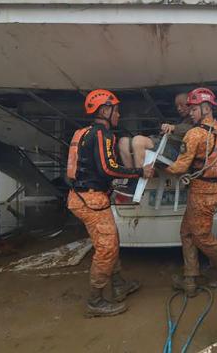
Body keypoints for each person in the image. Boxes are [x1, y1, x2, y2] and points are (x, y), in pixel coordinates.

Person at [143, 87, 217, 297]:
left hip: (202, 193)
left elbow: (180, 167)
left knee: (201, 236)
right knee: (186, 232)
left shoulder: (195, 134)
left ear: (205, 108)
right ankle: (191, 277)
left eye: (193, 109)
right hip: (214, 191)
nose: (190, 113)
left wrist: (156, 164)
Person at [66, 89, 142, 317]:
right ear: (104, 110)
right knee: (107, 247)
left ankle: (118, 284)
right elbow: (108, 168)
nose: (118, 114)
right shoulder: (102, 135)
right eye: (116, 110)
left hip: (81, 196)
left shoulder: (82, 132)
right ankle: (95, 301)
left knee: (112, 239)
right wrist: (139, 172)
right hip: (91, 200)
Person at [116, 93, 194, 195]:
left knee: (138, 141)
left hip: (176, 153)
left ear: (192, 104)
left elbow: (193, 129)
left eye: (182, 105)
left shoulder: (195, 119)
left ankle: (137, 186)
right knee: (123, 142)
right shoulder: (182, 119)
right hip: (163, 145)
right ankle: (132, 179)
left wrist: (174, 128)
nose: (179, 108)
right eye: (177, 106)